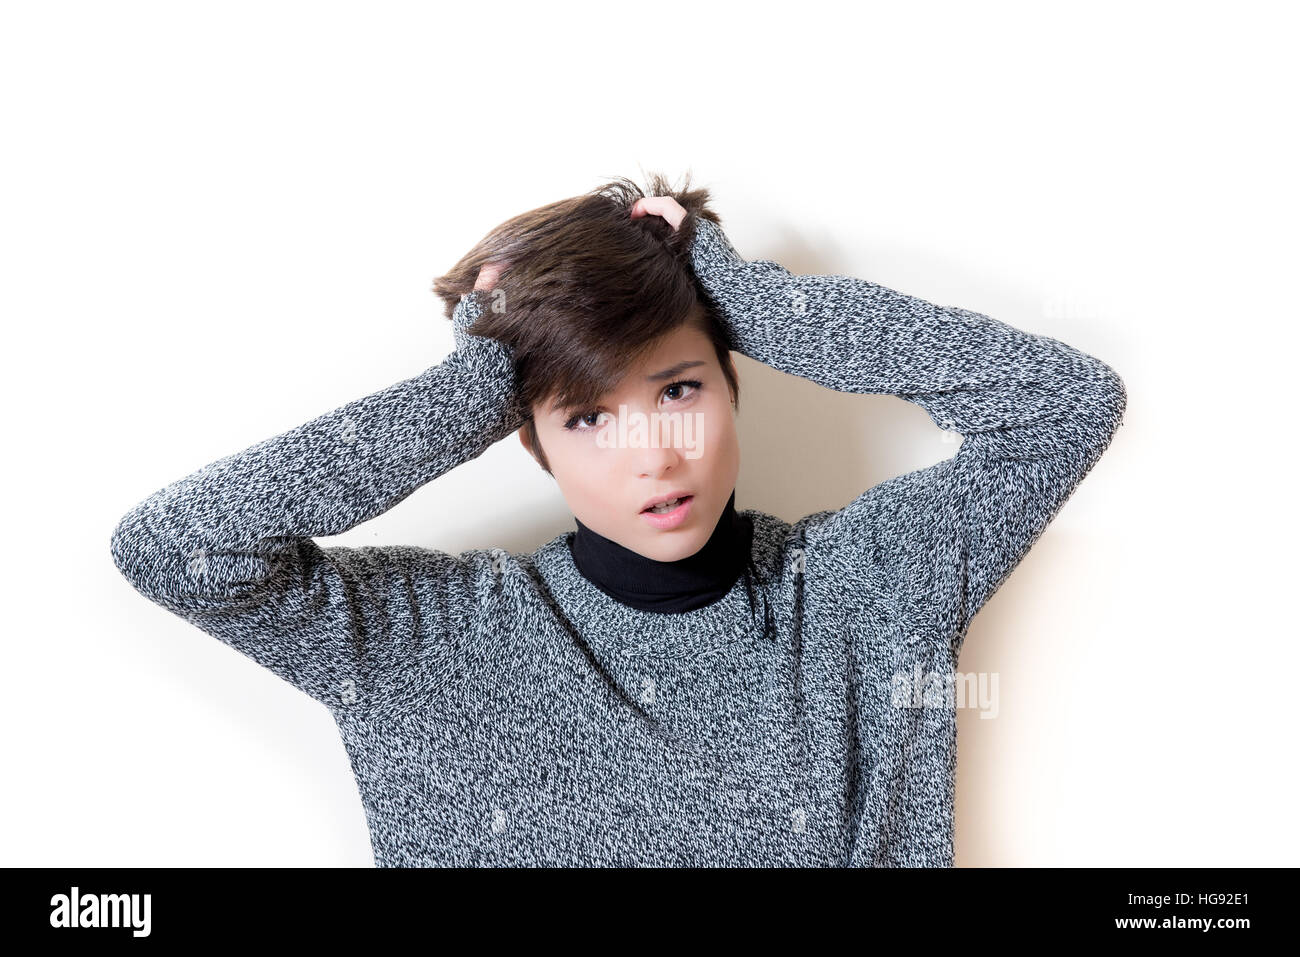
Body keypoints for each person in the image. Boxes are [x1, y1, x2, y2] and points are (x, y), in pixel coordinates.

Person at [109, 173, 1127, 866]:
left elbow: (1062, 407)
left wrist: (748, 299)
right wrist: (482, 380)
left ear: (734, 385)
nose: (654, 454)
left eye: (680, 390)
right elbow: (174, 549)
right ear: (526, 437)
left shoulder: (866, 587)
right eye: (588, 414)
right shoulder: (432, 639)